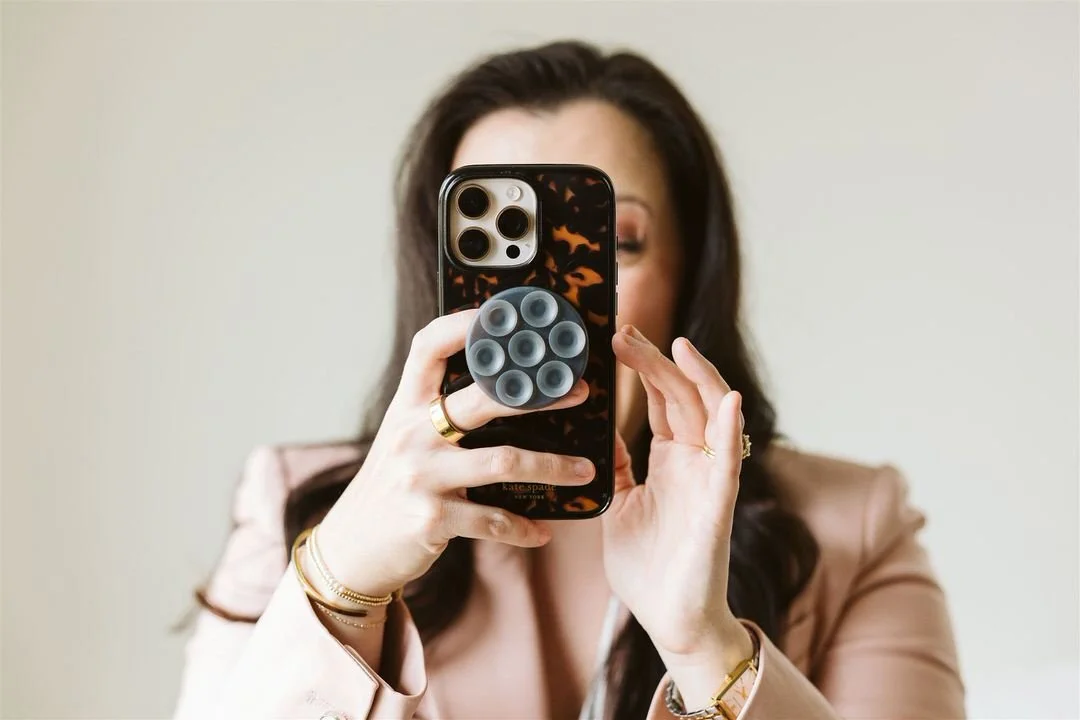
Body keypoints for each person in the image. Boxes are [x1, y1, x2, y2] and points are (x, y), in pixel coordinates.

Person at [175, 41, 965, 720]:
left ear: (691, 275)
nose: (543, 305)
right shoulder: (299, 511)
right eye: (496, 246)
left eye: (610, 241)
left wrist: (707, 648)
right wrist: (338, 587)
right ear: (440, 279)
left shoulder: (854, 526)